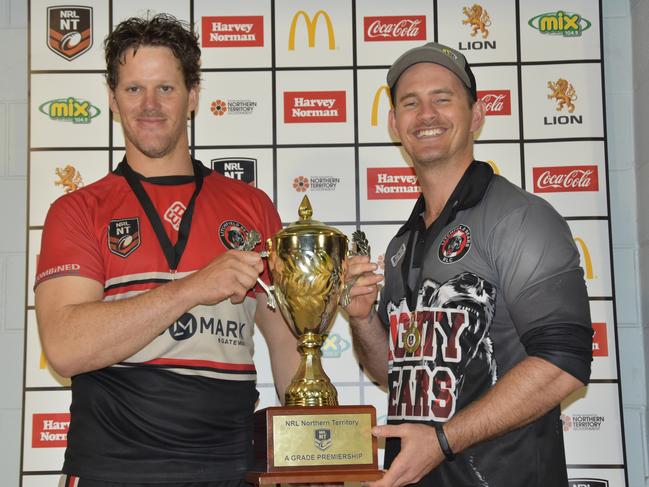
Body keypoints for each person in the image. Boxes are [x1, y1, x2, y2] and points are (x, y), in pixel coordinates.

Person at [34, 14, 299, 486]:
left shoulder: (252, 206)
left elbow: (287, 343)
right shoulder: (77, 209)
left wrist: (318, 443)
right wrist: (192, 288)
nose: (149, 105)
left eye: (166, 89)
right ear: (113, 100)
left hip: (230, 468)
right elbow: (66, 348)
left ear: (193, 96)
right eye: (134, 89)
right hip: (112, 469)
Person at [345, 42, 593, 486]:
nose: (426, 114)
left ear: (476, 116)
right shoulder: (405, 242)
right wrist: (363, 321)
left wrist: (442, 442)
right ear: (393, 123)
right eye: (410, 103)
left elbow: (562, 365)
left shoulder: (520, 218)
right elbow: (394, 374)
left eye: (443, 98)